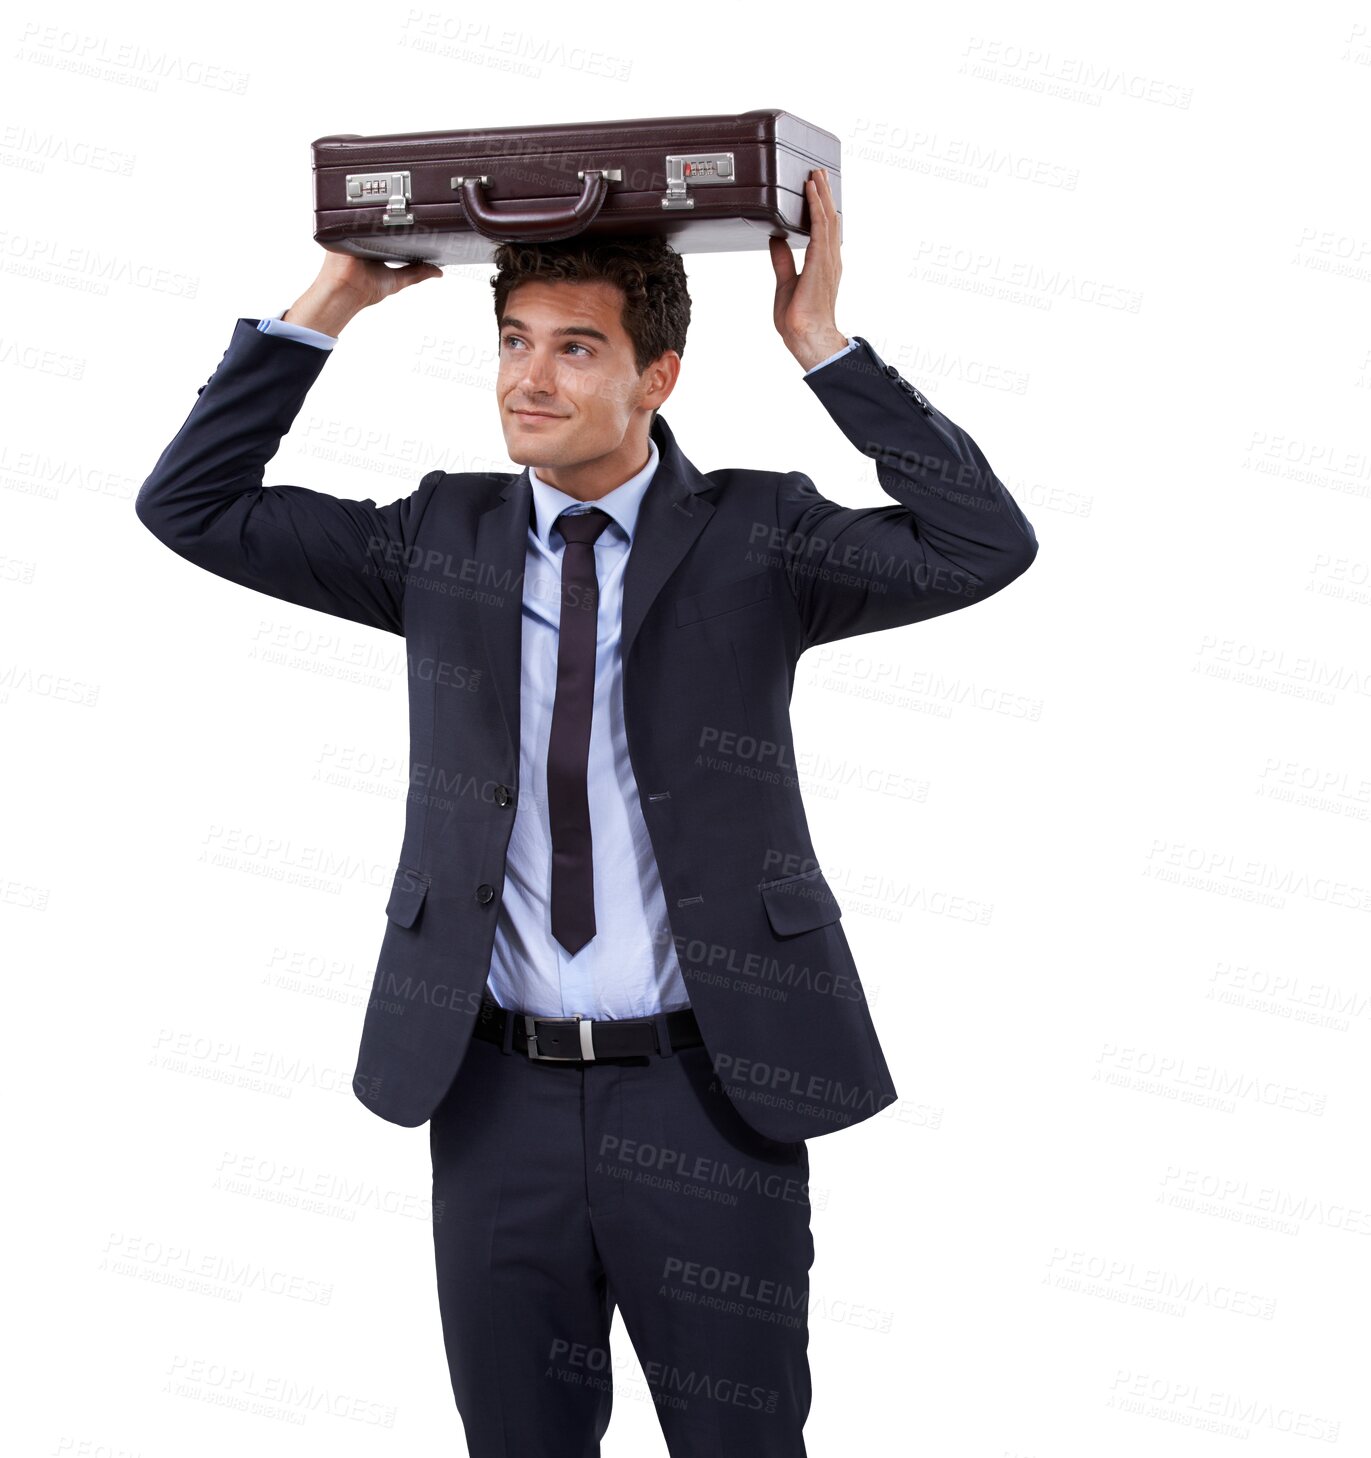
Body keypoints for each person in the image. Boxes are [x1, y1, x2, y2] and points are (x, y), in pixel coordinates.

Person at [136, 168, 1037, 1456]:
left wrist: (823, 346)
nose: (529, 380)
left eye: (575, 348)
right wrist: (329, 302)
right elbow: (193, 507)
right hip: (491, 1092)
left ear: (657, 377)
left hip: (710, 1093)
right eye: (512, 342)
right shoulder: (437, 533)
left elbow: (979, 545)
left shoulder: (757, 532)